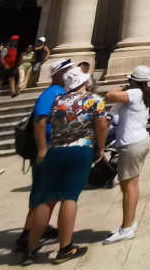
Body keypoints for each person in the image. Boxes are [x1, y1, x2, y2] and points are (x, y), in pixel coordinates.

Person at [23, 65, 108, 264]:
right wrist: (101, 148)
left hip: (55, 150)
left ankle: (31, 248)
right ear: (84, 82)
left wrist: (43, 147)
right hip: (80, 150)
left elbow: (43, 120)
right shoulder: (92, 100)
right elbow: (102, 125)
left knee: (47, 199)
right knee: (69, 197)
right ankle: (65, 248)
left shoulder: (58, 101)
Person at [14, 58, 74, 258]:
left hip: (55, 148)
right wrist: (42, 148)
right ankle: (27, 236)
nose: (70, 74)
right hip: (47, 150)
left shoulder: (60, 92)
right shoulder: (52, 93)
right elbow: (40, 119)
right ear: (58, 74)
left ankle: (34, 230)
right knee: (44, 194)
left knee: (46, 193)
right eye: (67, 71)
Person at [103, 65, 150, 244]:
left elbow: (109, 95)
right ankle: (129, 223)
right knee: (130, 185)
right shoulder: (143, 95)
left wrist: (125, 86)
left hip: (132, 144)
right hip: (139, 141)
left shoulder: (134, 94)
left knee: (129, 186)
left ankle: (127, 227)